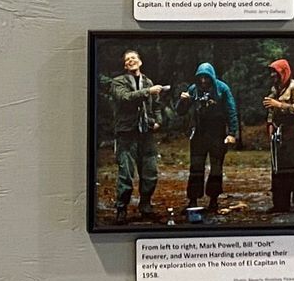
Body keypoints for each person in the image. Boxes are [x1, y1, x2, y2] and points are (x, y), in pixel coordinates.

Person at [102, 50, 170, 223]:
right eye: (127, 60)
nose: (131, 61)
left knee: (150, 172)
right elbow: (125, 98)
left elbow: (156, 105)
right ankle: (121, 209)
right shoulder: (118, 82)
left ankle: (145, 206)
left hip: (146, 134)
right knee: (126, 174)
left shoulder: (148, 82)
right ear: (125, 65)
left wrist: (158, 121)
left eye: (133, 58)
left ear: (140, 62)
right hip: (126, 134)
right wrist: (148, 91)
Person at [182, 61, 239, 223]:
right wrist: (183, 101)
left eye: (206, 78)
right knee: (196, 167)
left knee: (216, 168)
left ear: (211, 77)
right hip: (199, 133)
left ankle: (213, 199)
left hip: (217, 133)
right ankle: (193, 200)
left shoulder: (222, 89)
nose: (203, 81)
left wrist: (232, 133)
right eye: (200, 77)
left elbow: (231, 111)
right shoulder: (193, 89)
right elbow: (180, 111)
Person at [264, 57, 294, 214]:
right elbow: (270, 109)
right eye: (271, 72)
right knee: (278, 168)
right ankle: (280, 204)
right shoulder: (275, 88)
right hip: (279, 132)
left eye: (275, 72)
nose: (272, 75)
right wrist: (270, 124)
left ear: (283, 72)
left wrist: (280, 105)